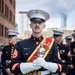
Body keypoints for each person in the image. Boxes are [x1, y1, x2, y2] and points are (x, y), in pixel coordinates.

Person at [10, 9, 62, 75]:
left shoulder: (51, 43)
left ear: (44, 26)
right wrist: (31, 66)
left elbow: (60, 67)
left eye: (40, 22)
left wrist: (47, 65)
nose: (37, 25)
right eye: (34, 22)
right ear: (30, 25)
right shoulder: (21, 44)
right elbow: (13, 67)